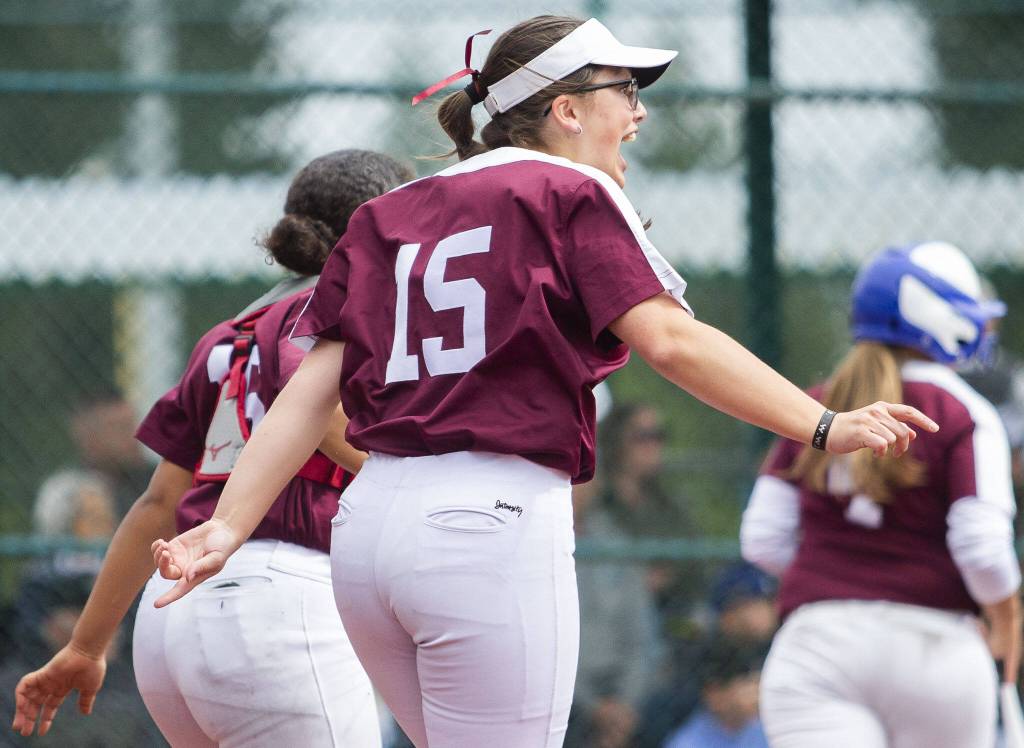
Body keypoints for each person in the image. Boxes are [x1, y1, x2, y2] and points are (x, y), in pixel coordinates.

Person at [148, 15, 936, 748]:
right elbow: (670, 341)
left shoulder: (389, 212)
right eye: (623, 90)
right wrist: (824, 425)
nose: (638, 111)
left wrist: (227, 524)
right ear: (563, 108)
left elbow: (313, 386)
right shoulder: (569, 190)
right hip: (487, 522)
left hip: (367, 533)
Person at [11, 148, 414, 746]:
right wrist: (422, 480)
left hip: (173, 620)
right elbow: (316, 418)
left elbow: (159, 502)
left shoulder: (228, 337)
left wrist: (86, 644)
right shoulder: (328, 317)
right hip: (282, 601)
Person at [740, 241, 1021, 747]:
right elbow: (982, 548)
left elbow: (761, 539)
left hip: (818, 646)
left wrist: (836, 576)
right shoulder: (964, 411)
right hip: (935, 650)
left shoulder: (817, 405)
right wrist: (1007, 618)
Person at [661, 636, 769, 748]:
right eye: (746, 684)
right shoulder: (686, 744)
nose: (757, 694)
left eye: (757, 682)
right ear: (714, 694)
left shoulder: (766, 728)